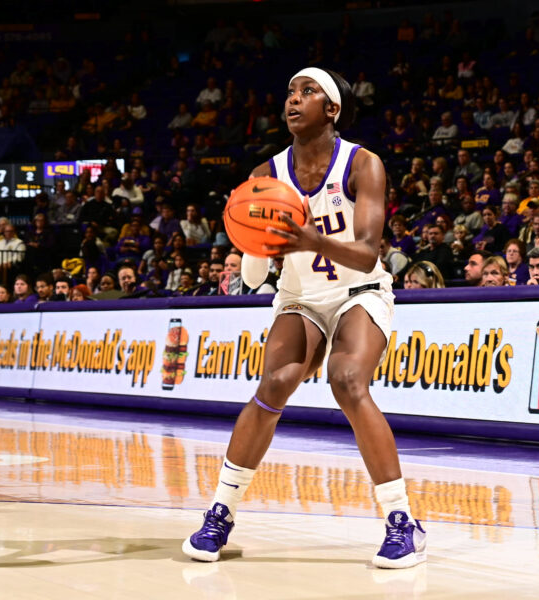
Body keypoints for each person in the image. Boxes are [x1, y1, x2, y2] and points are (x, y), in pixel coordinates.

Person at [182, 68, 425, 569]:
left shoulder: (364, 164)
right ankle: (220, 513)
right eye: (289, 91)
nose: (294, 100)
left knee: (348, 378)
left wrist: (312, 240)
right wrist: (250, 240)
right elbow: (252, 280)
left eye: (307, 92)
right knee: (274, 382)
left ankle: (403, 521)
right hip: (300, 297)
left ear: (332, 108)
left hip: (359, 289)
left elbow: (365, 253)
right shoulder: (263, 176)